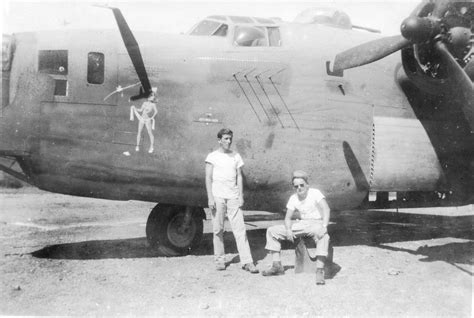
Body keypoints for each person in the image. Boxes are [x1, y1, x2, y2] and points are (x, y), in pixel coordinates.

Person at [262, 170, 330, 285]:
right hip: (302, 224)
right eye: (296, 186)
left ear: (307, 185)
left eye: (302, 185)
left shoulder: (315, 193)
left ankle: (319, 271)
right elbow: (287, 218)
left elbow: (326, 209)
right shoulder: (293, 198)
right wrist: (288, 230)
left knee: (324, 236)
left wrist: (324, 226)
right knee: (272, 231)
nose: (299, 188)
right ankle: (277, 266)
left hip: (316, 223)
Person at [205, 128, 259, 273]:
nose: (228, 141)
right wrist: (210, 198)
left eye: (230, 139)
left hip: (233, 197)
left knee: (240, 230)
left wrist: (240, 195)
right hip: (218, 197)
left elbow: (239, 176)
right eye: (226, 139)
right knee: (218, 230)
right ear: (219, 140)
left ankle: (247, 261)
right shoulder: (212, 156)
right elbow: (208, 178)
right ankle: (220, 260)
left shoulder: (236, 156)